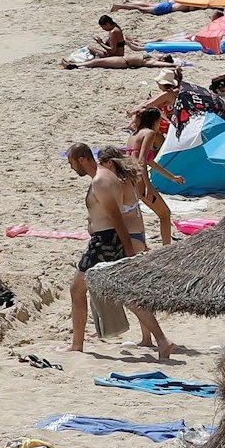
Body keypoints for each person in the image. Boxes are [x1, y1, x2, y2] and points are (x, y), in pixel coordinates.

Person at [61, 141, 171, 360]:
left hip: (105, 242)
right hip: (108, 240)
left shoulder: (101, 181)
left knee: (77, 290)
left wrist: (129, 250)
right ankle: (162, 340)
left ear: (82, 159)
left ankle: (76, 345)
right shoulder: (105, 177)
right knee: (125, 293)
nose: (72, 168)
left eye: (72, 163)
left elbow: (116, 218)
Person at [127, 106, 178, 245]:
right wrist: (148, 186)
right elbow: (142, 161)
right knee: (164, 213)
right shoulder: (149, 133)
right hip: (139, 179)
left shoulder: (134, 134)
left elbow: (149, 161)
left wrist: (172, 177)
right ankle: (167, 247)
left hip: (129, 177)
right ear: (154, 121)